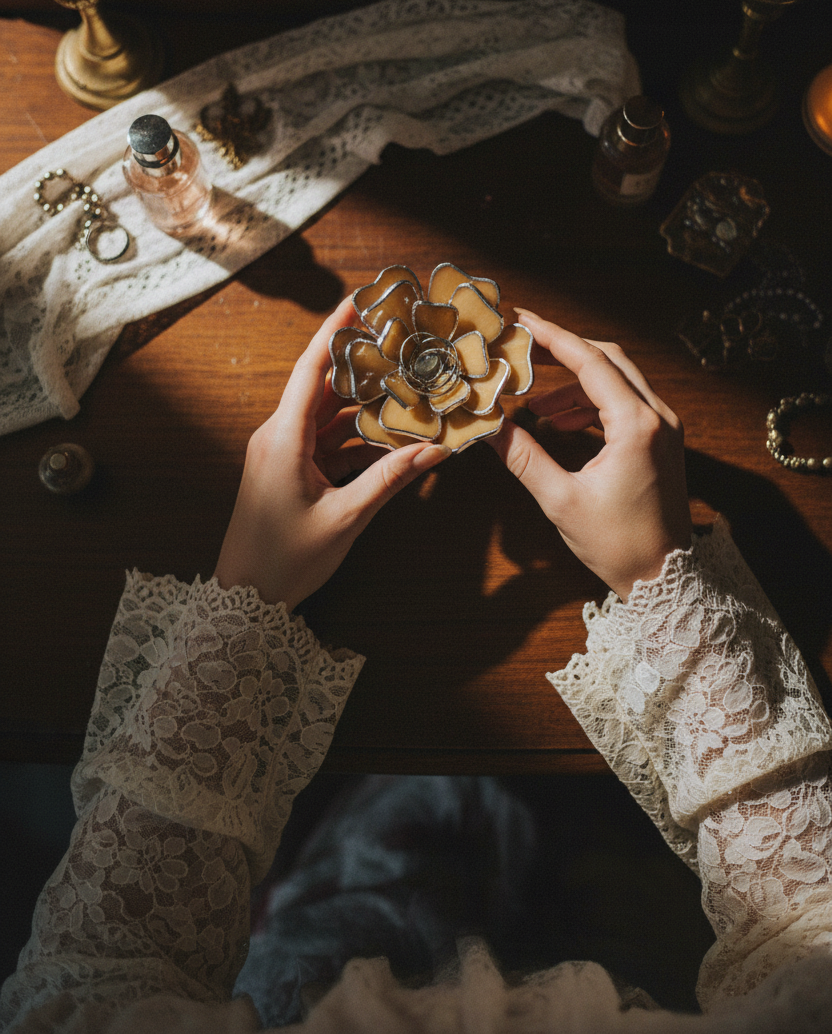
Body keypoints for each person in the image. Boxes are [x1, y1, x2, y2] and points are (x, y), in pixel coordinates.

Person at [2, 299, 832, 1033]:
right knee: (525, 829)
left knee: (415, 821)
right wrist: (659, 576)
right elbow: (811, 933)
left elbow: (91, 978)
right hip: (624, 945)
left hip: (318, 945)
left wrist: (247, 594)